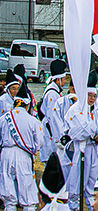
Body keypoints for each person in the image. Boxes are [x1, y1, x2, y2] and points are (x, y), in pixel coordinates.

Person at [0, 82, 45, 211]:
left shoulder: (3, 118)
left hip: (6, 153)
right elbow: (40, 142)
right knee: (27, 189)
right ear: (27, 105)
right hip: (23, 154)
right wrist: (33, 149)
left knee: (8, 192)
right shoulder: (32, 120)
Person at [65, 71, 98, 211]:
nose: (92, 98)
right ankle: (73, 207)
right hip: (78, 149)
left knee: (92, 181)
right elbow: (79, 131)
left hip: (92, 148)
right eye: (89, 95)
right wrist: (94, 134)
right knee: (76, 181)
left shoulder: (94, 111)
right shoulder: (76, 109)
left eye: (94, 96)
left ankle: (91, 206)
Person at [40, 58, 68, 162]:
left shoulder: (55, 91)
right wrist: (59, 137)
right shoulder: (52, 93)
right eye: (64, 79)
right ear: (58, 80)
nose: (65, 82)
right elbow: (53, 117)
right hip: (51, 132)